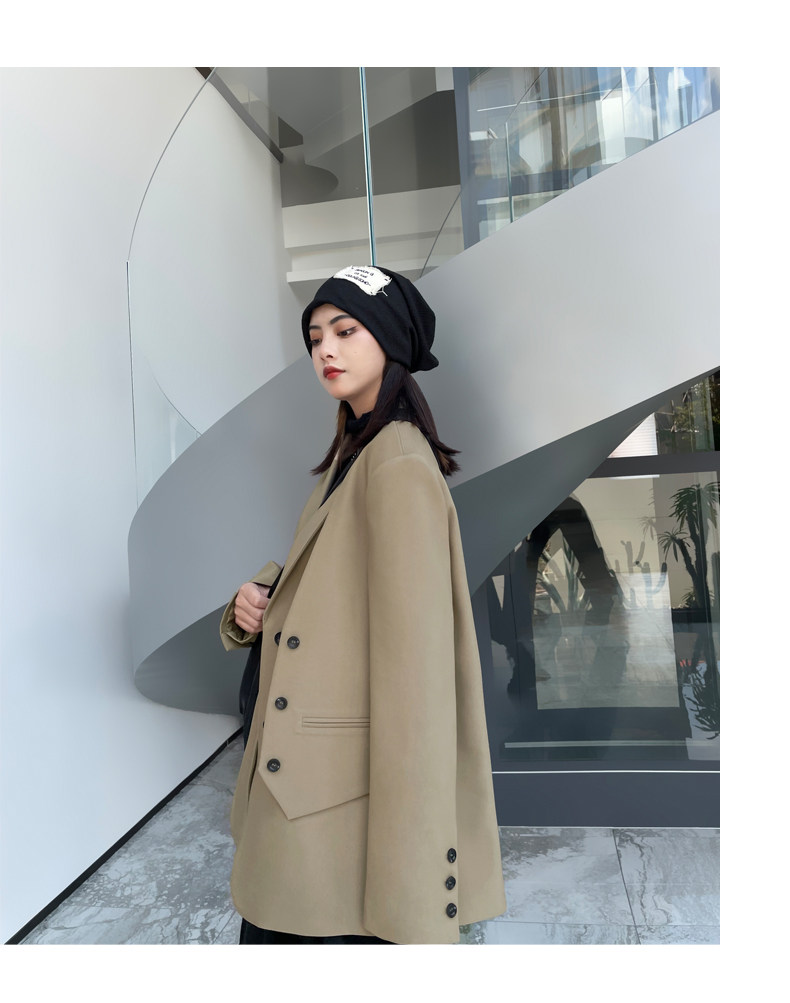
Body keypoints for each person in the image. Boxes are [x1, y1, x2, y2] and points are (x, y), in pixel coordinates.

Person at [219, 265, 506, 945]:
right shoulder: (356, 452)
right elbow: (337, 589)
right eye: (315, 336)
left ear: (390, 338)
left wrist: (412, 882)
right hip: (310, 787)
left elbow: (418, 684)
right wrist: (258, 598)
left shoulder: (397, 463)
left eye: (345, 330)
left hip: (332, 802)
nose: (326, 348)